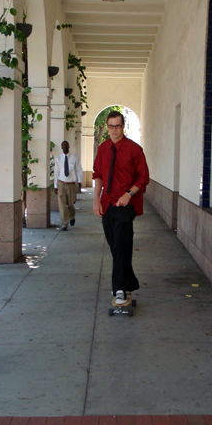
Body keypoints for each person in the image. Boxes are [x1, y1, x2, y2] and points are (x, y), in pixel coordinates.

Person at [93, 111, 149, 304]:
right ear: (107, 127)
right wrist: (96, 200)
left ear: (123, 126)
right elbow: (98, 175)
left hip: (126, 204)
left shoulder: (134, 149)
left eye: (117, 126)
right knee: (116, 246)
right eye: (111, 126)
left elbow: (143, 178)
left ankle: (119, 290)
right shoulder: (103, 149)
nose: (114, 130)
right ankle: (128, 281)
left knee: (121, 245)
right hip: (108, 203)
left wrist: (129, 194)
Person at [54, 140, 83, 231]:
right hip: (62, 184)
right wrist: (55, 186)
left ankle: (72, 216)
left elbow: (79, 169)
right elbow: (56, 173)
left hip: (71, 185)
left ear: (69, 146)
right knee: (62, 205)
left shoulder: (74, 158)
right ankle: (64, 224)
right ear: (62, 147)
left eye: (66, 145)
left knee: (70, 204)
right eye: (63, 145)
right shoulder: (58, 159)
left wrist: (79, 181)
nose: (65, 147)